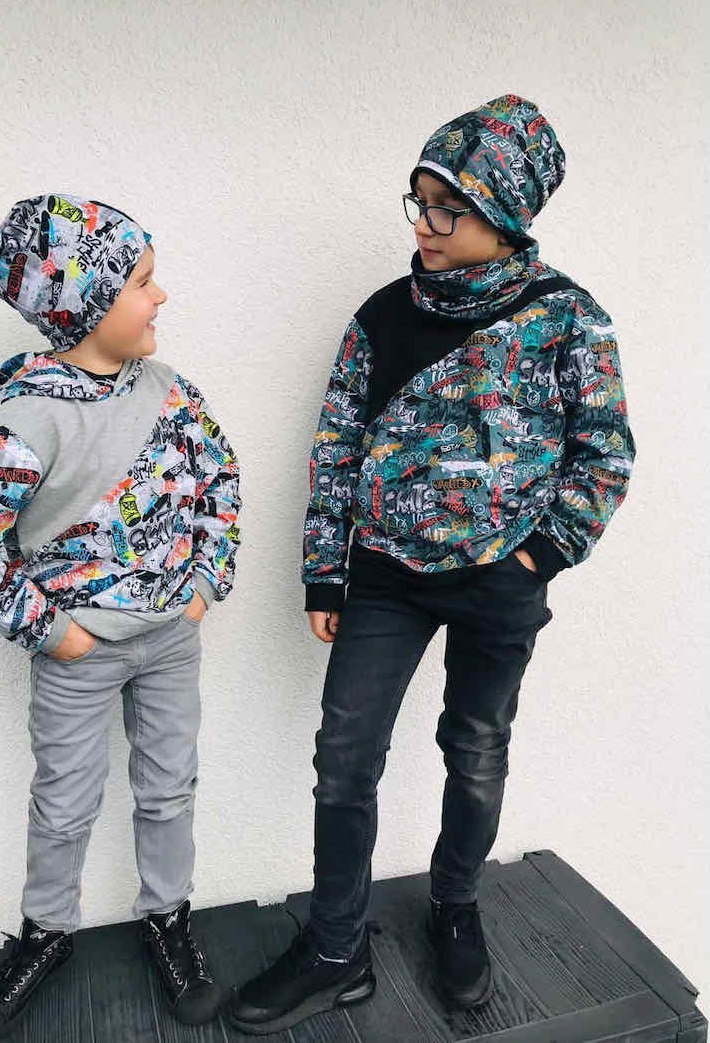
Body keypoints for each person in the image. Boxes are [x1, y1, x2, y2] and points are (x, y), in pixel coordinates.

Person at [229, 93, 636, 1033]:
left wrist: (539, 555)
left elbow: (605, 453)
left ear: (506, 213)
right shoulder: (382, 315)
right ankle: (336, 947)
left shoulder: (568, 320)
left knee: (476, 749)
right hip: (384, 579)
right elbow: (337, 445)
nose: (424, 224)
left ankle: (456, 906)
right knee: (344, 756)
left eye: (448, 209)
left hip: (502, 583)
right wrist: (325, 572)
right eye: (419, 202)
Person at [0, 194, 242, 1039]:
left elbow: (220, 482)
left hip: (169, 640)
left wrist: (205, 583)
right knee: (62, 802)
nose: (161, 296)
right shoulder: (25, 415)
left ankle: (167, 919)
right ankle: (47, 932)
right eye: (142, 282)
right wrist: (53, 632)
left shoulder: (172, 395)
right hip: (79, 653)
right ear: (86, 303)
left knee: (169, 789)